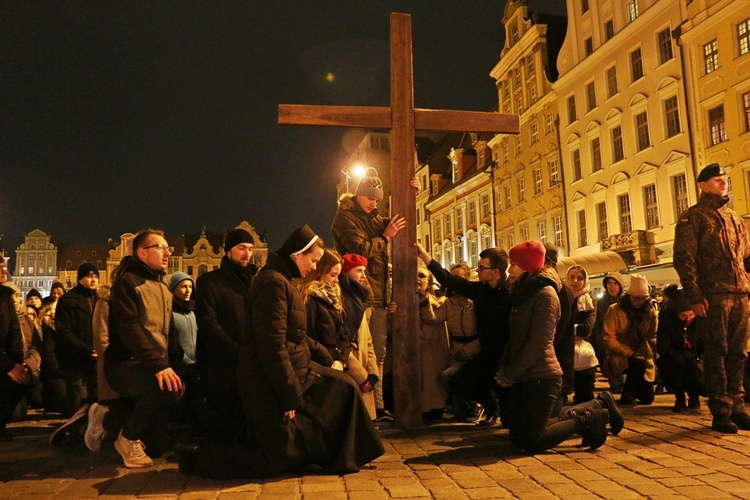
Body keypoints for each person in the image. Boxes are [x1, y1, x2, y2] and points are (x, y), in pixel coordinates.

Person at [176, 225, 384, 479]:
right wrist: (288, 395)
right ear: (297, 254)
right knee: (278, 456)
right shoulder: (272, 283)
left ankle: (345, 455)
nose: (315, 267)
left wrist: (327, 358)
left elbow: (296, 336)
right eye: (314, 260)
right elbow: (272, 344)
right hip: (270, 382)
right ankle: (196, 456)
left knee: (344, 387)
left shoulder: (281, 280)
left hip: (297, 370)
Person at [496, 240, 622, 454]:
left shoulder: (546, 294)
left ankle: (591, 417)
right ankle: (594, 406)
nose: (510, 269)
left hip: (542, 374)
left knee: (530, 442)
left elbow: (539, 342)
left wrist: (510, 373)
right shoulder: (523, 293)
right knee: (517, 437)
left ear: (527, 265)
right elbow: (516, 337)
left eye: (514, 263)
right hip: (525, 374)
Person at [331, 167, 418, 423]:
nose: (374, 203)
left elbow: (401, 220)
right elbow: (360, 249)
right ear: (358, 195)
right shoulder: (344, 218)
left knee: (377, 355)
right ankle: (359, 410)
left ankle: (378, 409)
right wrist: (385, 237)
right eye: (371, 198)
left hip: (378, 297)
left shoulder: (376, 217)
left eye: (378, 199)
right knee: (357, 355)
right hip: (357, 295)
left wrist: (413, 193)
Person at [673, 163, 750, 434]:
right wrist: (694, 296)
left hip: (739, 292)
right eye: (717, 180)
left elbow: (746, 257)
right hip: (713, 295)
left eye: (724, 179)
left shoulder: (734, 219)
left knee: (739, 352)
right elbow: (684, 259)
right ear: (703, 185)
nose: (723, 183)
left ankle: (737, 405)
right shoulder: (694, 217)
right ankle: (721, 410)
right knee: (717, 352)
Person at [104, 229, 184, 468]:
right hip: (126, 363)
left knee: (158, 446)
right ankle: (126, 438)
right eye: (159, 247)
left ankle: (109, 421)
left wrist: (176, 361)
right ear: (142, 253)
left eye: (168, 247)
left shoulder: (162, 286)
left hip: (151, 363)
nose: (167, 252)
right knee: (171, 388)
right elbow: (129, 327)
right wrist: (160, 365)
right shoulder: (127, 282)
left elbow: (167, 332)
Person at [415, 242, 511, 427]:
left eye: (482, 267)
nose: (478, 270)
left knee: (507, 406)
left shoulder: (510, 294)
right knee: (462, 379)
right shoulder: (480, 290)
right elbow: (451, 281)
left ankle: (503, 415)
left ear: (496, 272)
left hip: (505, 353)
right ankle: (492, 409)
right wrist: (426, 257)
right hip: (487, 353)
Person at [194, 228, 256, 440]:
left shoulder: (256, 281)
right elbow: (209, 326)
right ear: (228, 251)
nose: (247, 253)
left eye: (250, 249)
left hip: (252, 364)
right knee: (226, 423)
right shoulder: (209, 282)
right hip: (223, 365)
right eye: (241, 248)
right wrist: (238, 352)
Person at [419, 263, 481, 422]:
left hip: (475, 348)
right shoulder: (449, 303)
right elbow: (433, 318)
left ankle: (479, 404)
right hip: (457, 349)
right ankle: (468, 405)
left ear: (466, 279)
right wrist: (423, 300)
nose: (454, 281)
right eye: (451, 277)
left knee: (454, 376)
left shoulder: (475, 302)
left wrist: (468, 351)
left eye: (458, 277)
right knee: (453, 387)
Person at [603, 275, 658, 406]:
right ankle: (627, 393)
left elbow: (652, 335)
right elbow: (608, 337)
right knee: (637, 364)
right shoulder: (615, 310)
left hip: (642, 352)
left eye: (644, 298)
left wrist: (654, 352)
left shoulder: (650, 311)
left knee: (647, 399)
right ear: (629, 296)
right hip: (620, 353)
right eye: (636, 298)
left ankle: (635, 390)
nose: (640, 302)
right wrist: (630, 353)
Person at [54, 262, 100, 418]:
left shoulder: (101, 299)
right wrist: (86, 349)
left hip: (97, 359)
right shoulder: (67, 300)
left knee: (96, 398)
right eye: (89, 276)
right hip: (75, 359)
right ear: (80, 278)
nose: (93, 280)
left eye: (95, 276)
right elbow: (64, 331)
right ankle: (76, 431)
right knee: (78, 397)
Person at [338, 254, 379, 418]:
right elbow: (342, 342)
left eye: (364, 271)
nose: (363, 276)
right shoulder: (341, 300)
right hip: (350, 370)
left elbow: (367, 340)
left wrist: (373, 373)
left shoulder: (360, 299)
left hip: (364, 369)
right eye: (359, 271)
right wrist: (362, 376)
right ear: (346, 273)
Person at [296, 249, 350, 372]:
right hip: (319, 365)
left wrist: (341, 360)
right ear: (320, 271)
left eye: (338, 275)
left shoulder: (333, 298)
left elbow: (342, 334)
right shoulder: (309, 298)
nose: (337, 280)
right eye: (333, 275)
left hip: (334, 362)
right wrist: (331, 362)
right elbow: (307, 337)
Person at [656, 285, 704, 413]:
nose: (688, 319)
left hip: (695, 360)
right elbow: (663, 346)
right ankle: (680, 397)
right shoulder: (667, 322)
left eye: (691, 315)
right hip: (674, 359)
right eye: (684, 316)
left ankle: (694, 395)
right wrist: (680, 355)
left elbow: (705, 346)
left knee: (694, 367)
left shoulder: (699, 323)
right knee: (679, 364)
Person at [543, 244, 575, 417]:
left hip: (557, 361)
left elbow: (558, 332)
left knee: (552, 419)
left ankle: (593, 410)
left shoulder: (559, 291)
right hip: (554, 363)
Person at [416, 266, 451, 420]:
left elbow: (431, 326)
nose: (417, 278)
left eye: (422, 276)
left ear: (429, 282)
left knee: (431, 383)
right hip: (416, 351)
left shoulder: (434, 302)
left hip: (430, 350)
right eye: (414, 275)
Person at [0, 257, 29, 441]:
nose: (4, 270)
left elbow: (14, 332)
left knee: (20, 382)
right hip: (2, 362)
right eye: (0, 267)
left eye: (4, 266)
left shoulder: (5, 297)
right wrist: (8, 366)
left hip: (6, 360)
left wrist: (18, 363)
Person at [565, 266, 597, 404]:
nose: (575, 281)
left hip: (584, 352)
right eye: (572, 277)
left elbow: (586, 328)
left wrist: (567, 330)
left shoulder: (590, 302)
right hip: (563, 349)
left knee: (584, 399)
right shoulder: (560, 299)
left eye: (580, 278)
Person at [592, 272, 625, 391]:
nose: (612, 286)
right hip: (606, 343)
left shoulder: (625, 302)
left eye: (615, 283)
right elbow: (598, 325)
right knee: (615, 383)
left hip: (623, 342)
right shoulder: (601, 303)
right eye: (609, 283)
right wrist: (599, 343)